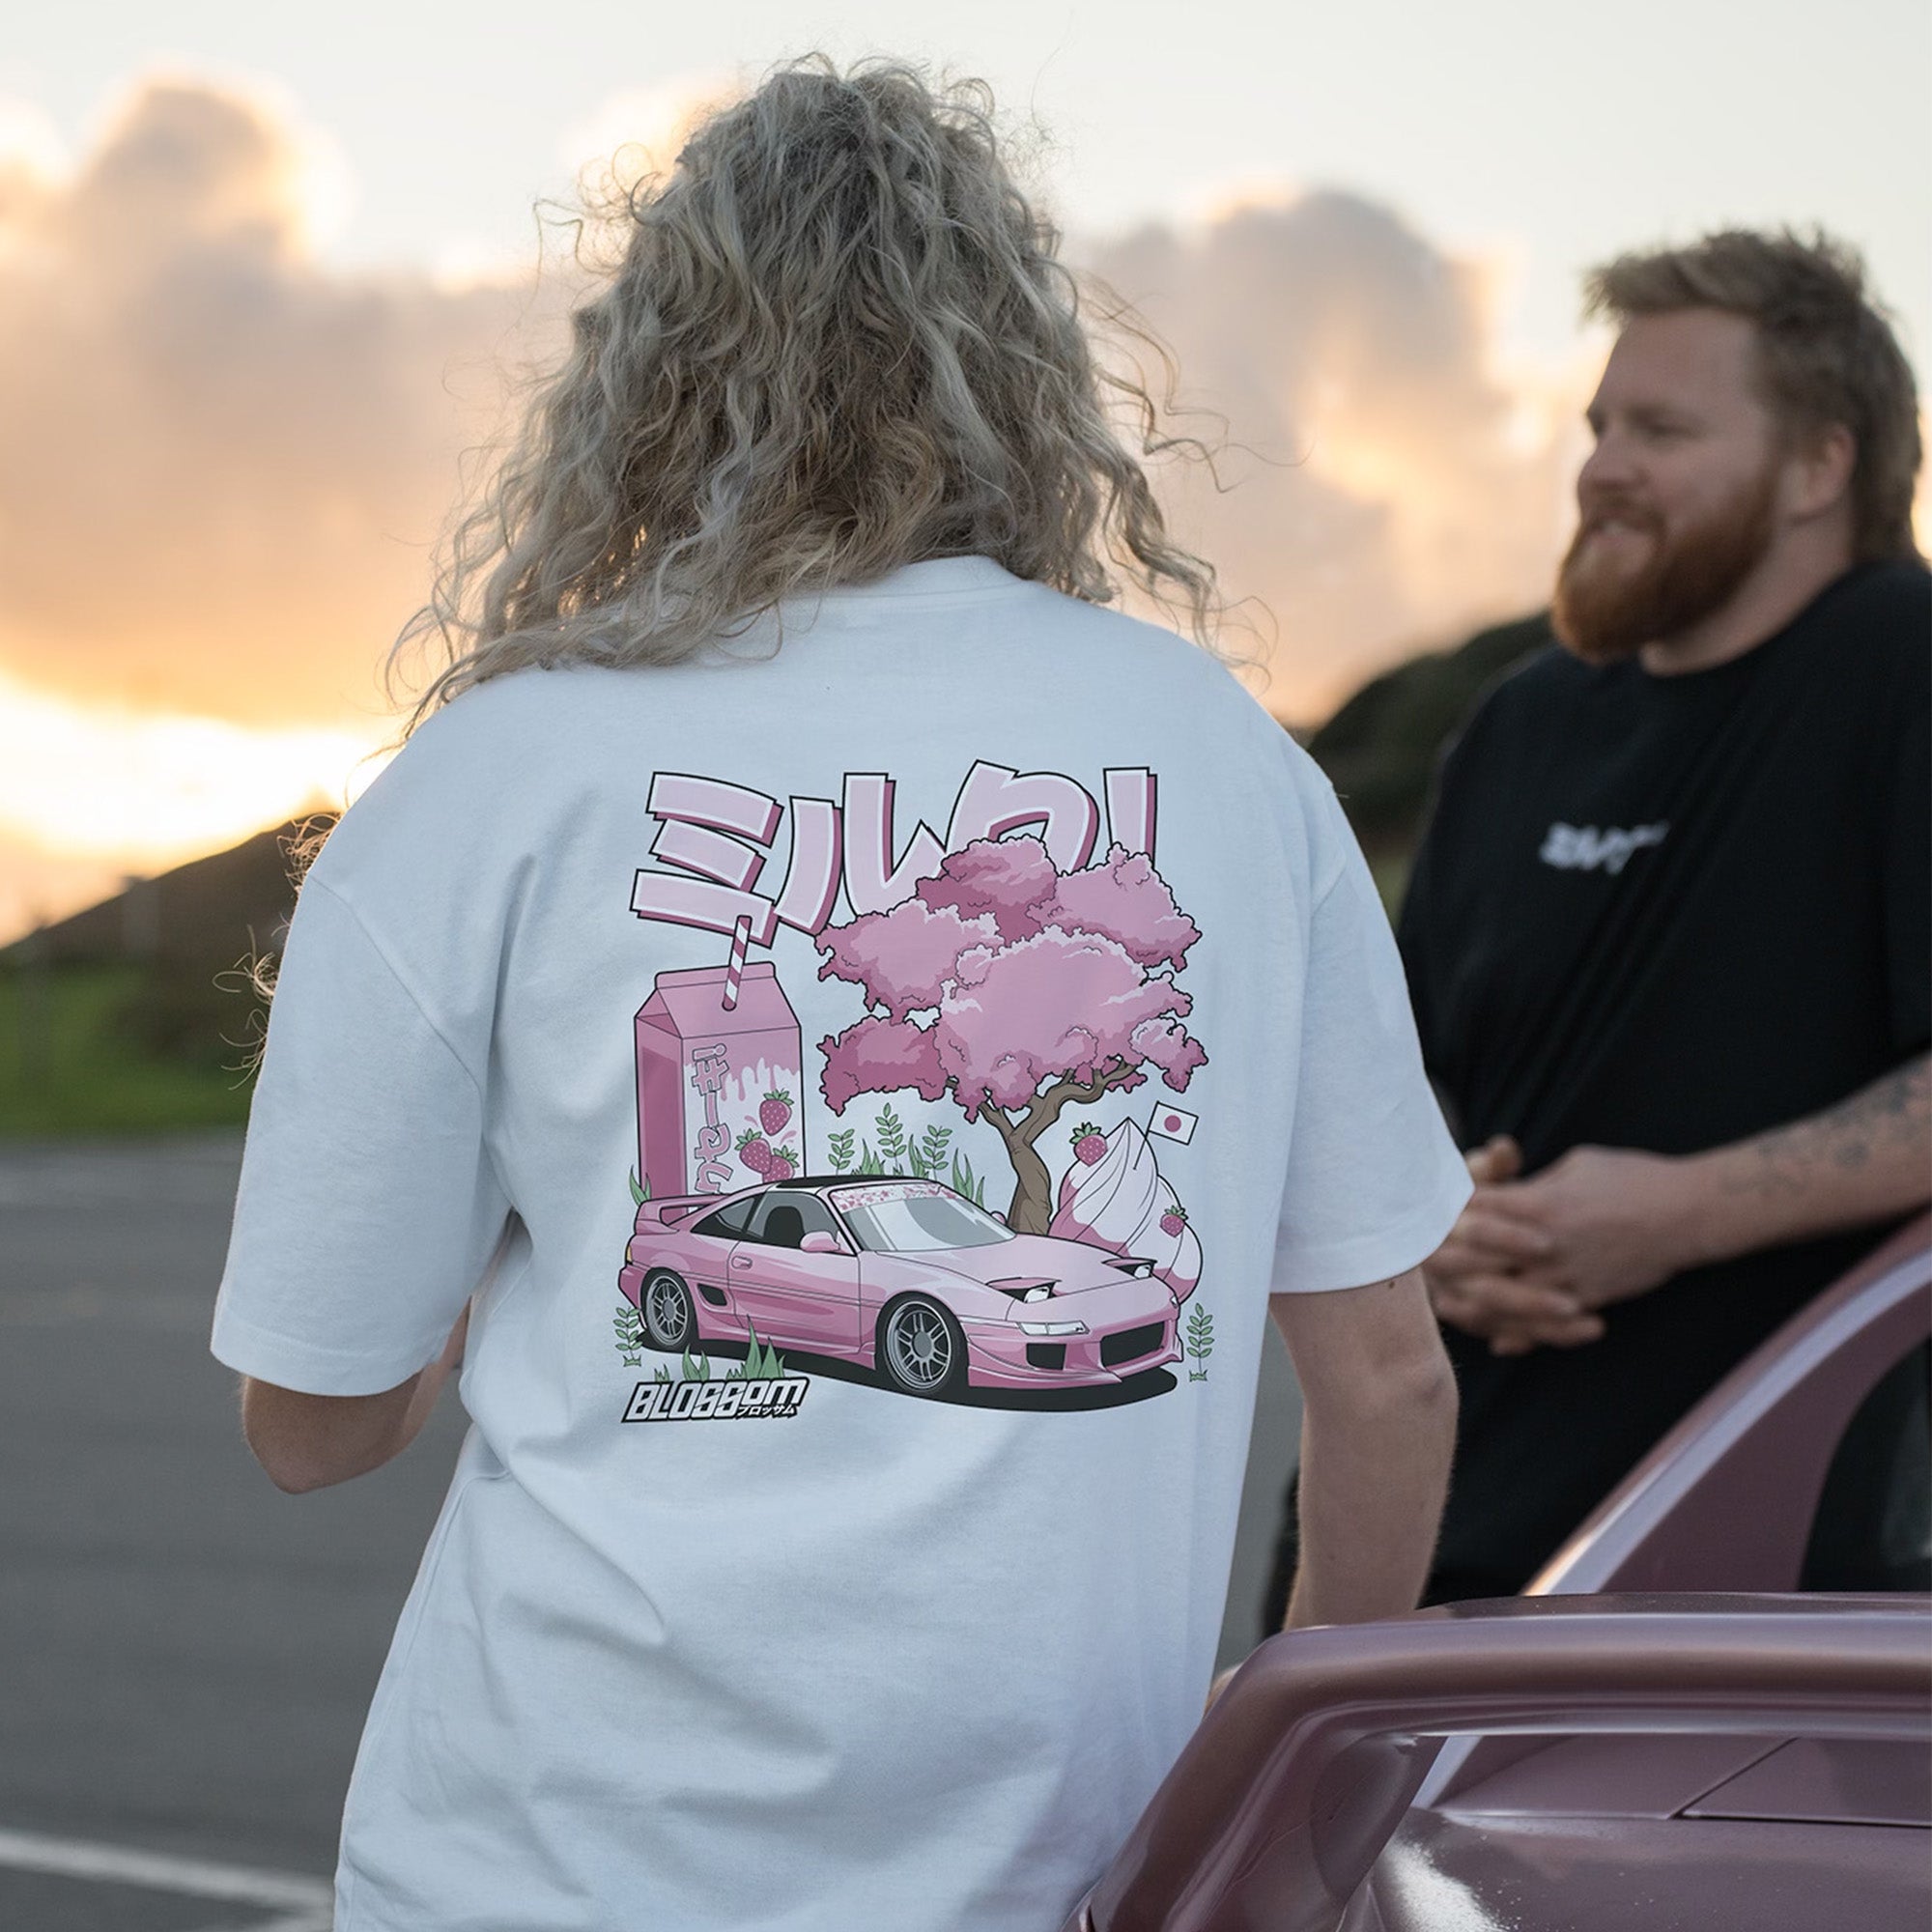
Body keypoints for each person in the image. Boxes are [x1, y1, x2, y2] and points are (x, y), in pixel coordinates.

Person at [211, 59, 1468, 1932]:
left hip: (540, 1870)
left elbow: (314, 1422)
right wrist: (1284, 1817)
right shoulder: (1225, 760)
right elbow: (1387, 1376)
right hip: (1057, 1883)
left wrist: (491, 1267)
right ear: (1022, 378)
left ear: (651, 383)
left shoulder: (486, 779)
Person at [1265, 227, 1930, 1621]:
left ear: (1823, 466)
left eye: (1664, 429)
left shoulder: (1899, 668)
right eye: (1600, 424)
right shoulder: (1522, 724)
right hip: (1422, 1539)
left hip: (1757, 1583)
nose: (1602, 466)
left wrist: (1678, 1215)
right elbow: (1397, 1085)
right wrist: (1431, 1222)